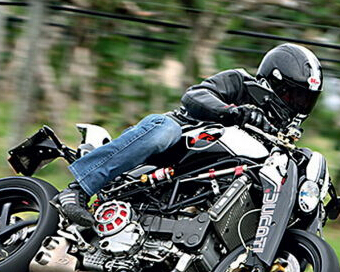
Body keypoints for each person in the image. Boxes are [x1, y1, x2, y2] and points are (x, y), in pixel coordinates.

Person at [53, 43, 323, 226]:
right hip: (180, 139)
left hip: (205, 180)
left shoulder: (280, 132)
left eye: (306, 100)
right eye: (294, 96)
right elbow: (195, 96)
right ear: (274, 83)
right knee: (164, 130)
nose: (299, 105)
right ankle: (77, 190)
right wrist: (233, 111)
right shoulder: (240, 82)